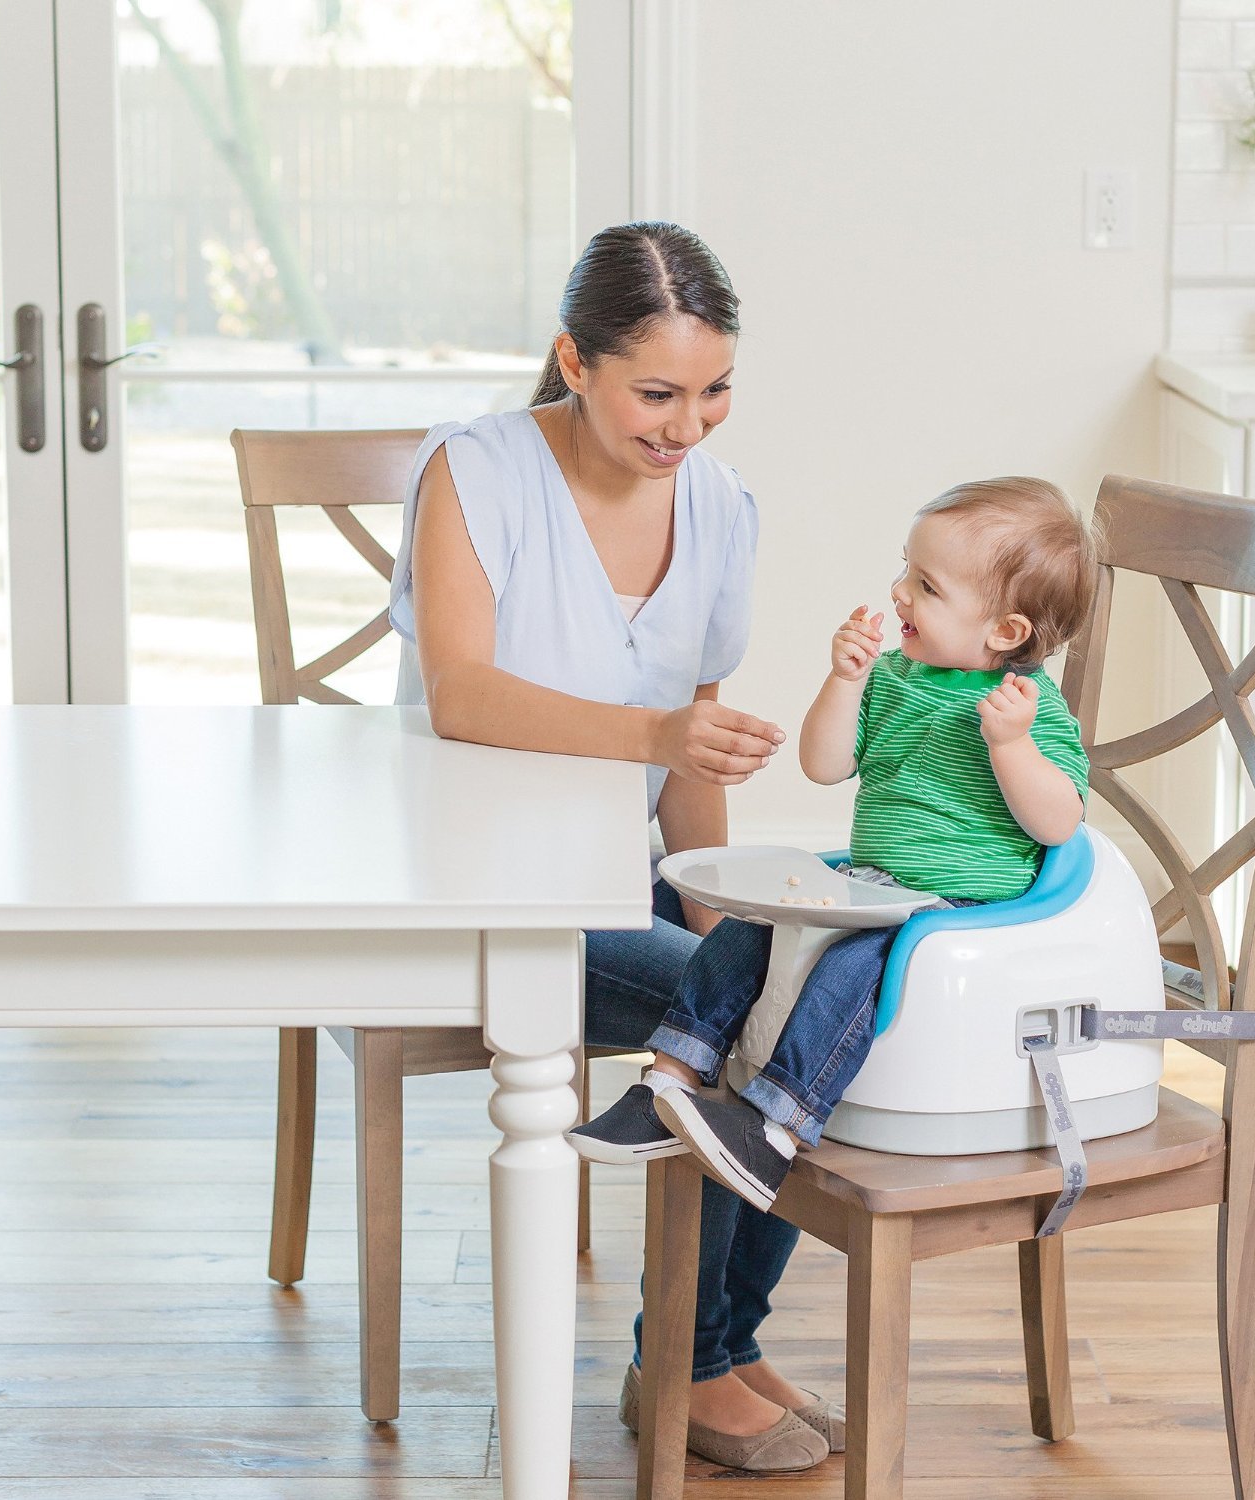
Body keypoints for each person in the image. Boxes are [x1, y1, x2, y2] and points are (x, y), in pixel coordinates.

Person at [389, 221, 835, 1473]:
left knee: (811, 984)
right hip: (475, 886)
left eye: (714, 391)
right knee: (757, 1014)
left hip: (608, 869)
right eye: (656, 393)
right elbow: (464, 694)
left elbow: (687, 766)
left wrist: (719, 918)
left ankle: (724, 1345)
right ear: (572, 363)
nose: (686, 427)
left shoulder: (722, 506)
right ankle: (681, 1370)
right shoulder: (474, 472)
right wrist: (659, 736)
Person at [569, 477, 1094, 1215]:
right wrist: (844, 682)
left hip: (951, 907)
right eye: (906, 570)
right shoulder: (895, 679)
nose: (899, 592)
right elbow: (825, 764)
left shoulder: (1027, 712)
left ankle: (776, 1126)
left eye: (926, 586)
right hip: (876, 883)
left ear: (1004, 632)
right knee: (755, 924)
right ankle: (669, 1078)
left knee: (847, 968)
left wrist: (1009, 746)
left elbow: (1059, 822)